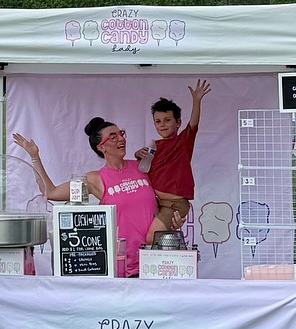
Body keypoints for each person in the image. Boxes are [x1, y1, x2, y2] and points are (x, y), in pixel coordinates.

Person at [13, 119, 160, 276]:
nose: (121, 139)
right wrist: (35, 157)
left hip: (155, 257)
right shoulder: (95, 178)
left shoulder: (142, 167)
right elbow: (51, 192)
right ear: (101, 147)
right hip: (123, 263)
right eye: (113, 136)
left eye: (121, 134)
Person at [136, 80, 210, 234]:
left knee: (152, 237)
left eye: (167, 120)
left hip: (175, 204)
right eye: (158, 121)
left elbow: (193, 124)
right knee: (147, 235)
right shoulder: (154, 146)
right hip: (157, 202)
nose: (162, 124)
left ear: (178, 123)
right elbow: (144, 169)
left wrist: (196, 101)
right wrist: (138, 154)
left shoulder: (182, 142)